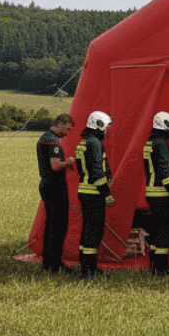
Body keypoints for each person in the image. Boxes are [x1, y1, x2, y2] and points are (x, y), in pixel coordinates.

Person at [76, 111, 114, 279]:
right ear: (98, 126)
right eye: (106, 128)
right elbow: (97, 172)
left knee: (87, 230)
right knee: (94, 232)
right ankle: (91, 270)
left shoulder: (84, 142)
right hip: (94, 193)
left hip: (84, 191)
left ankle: (86, 268)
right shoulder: (94, 143)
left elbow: (82, 170)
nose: (106, 131)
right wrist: (106, 193)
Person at [143, 111, 169, 276]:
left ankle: (154, 266)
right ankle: (162, 268)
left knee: (156, 230)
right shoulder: (161, 144)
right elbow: (165, 173)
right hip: (161, 193)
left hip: (151, 191)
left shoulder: (150, 142)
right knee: (164, 230)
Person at [36, 113, 75, 274]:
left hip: (47, 184)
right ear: (61, 123)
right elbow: (55, 165)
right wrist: (69, 162)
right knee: (58, 226)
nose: (67, 133)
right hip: (54, 185)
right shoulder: (53, 141)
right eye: (67, 128)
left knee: (51, 224)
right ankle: (55, 263)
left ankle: (48, 262)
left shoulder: (43, 137)